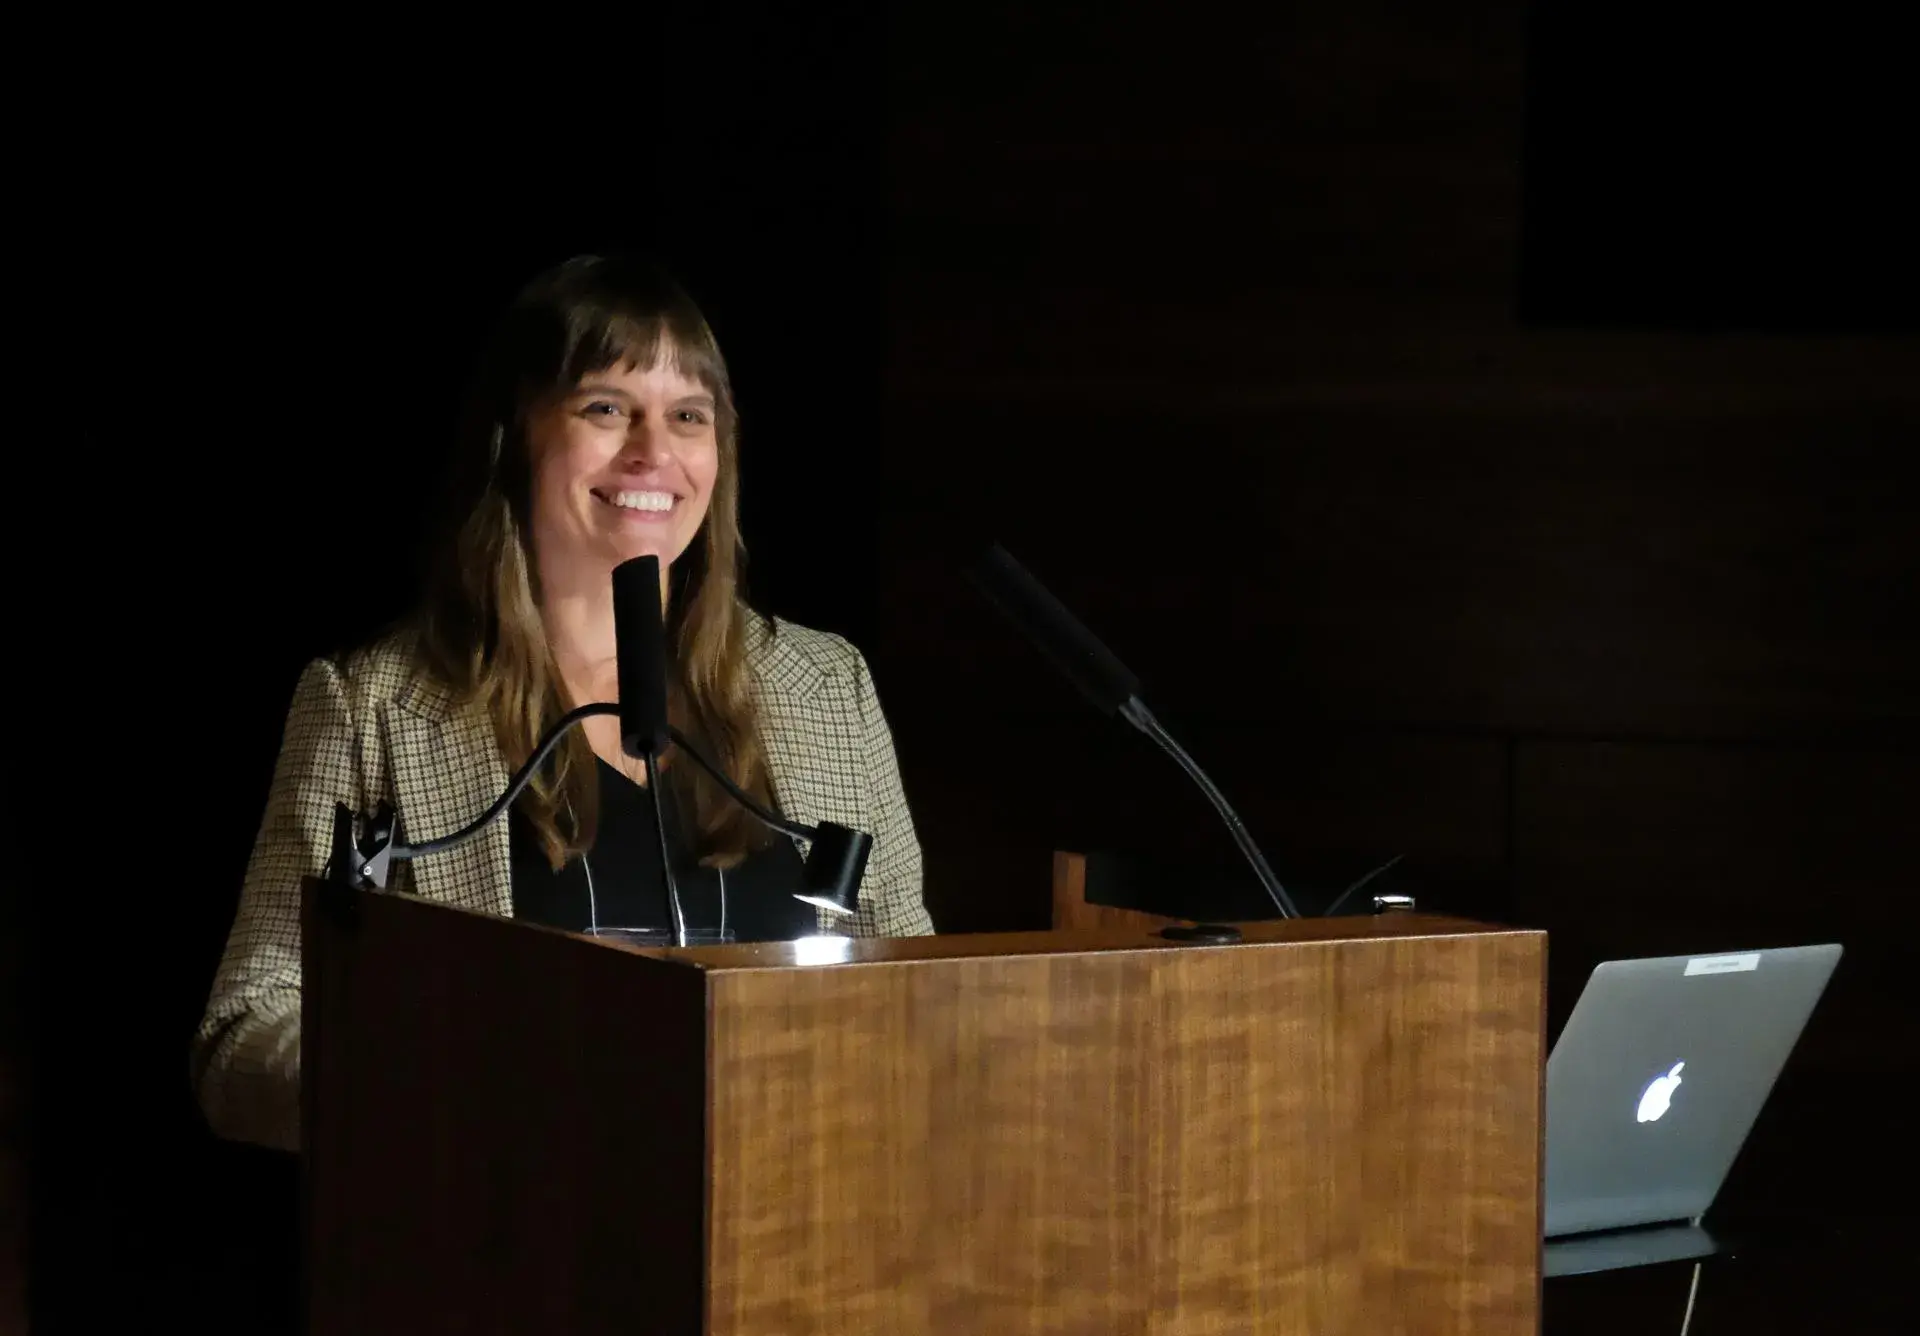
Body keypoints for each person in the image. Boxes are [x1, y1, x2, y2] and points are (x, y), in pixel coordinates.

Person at [191, 255, 934, 1153]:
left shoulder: (827, 687)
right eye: (606, 408)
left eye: (688, 417)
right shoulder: (375, 707)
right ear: (516, 438)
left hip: (792, 1240)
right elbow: (247, 1038)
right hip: (513, 1251)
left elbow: (916, 998)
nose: (652, 453)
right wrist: (464, 1081)